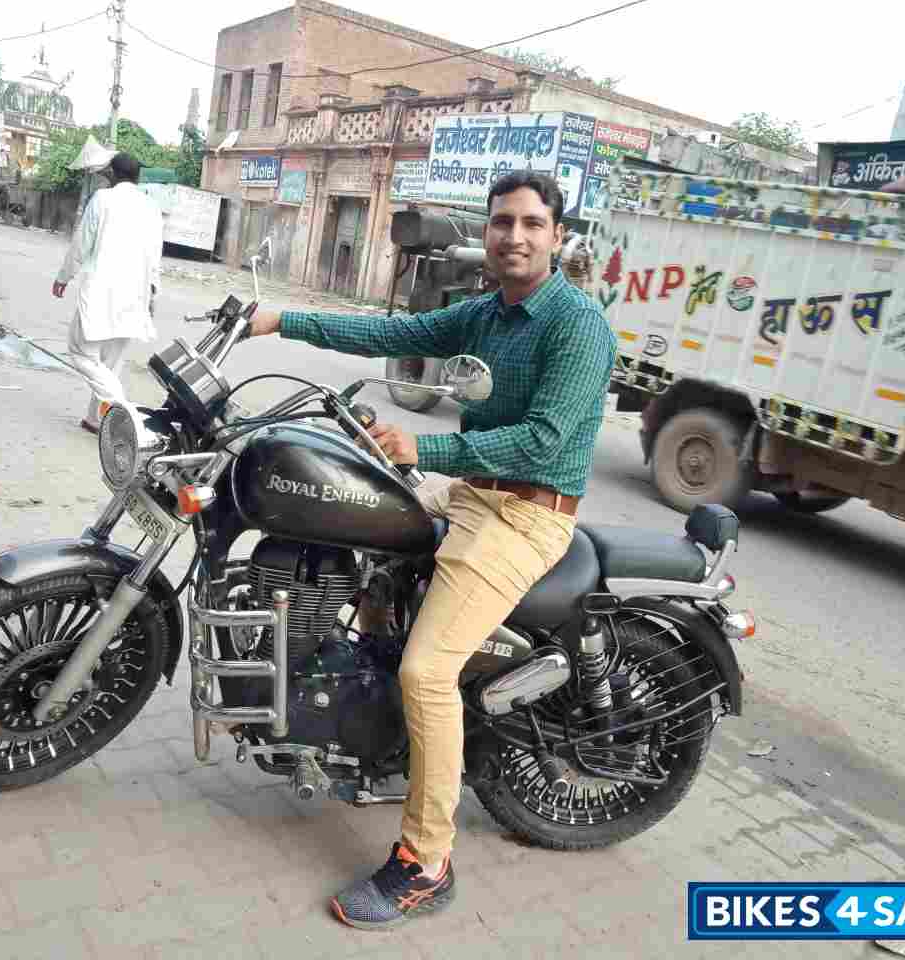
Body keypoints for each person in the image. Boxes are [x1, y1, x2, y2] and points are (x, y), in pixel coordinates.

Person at [246, 171, 618, 930]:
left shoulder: (577, 325)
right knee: (349, 524)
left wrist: (430, 444)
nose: (513, 236)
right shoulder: (486, 312)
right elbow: (389, 335)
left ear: (556, 235)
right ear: (485, 231)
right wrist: (279, 318)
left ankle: (427, 862)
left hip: (527, 514)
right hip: (473, 493)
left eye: (530, 223)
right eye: (501, 222)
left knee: (427, 670)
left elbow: (544, 439)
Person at [52, 151, 163, 433]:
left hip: (102, 292)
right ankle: (95, 419)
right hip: (135, 296)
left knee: (80, 351)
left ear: (112, 174)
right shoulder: (151, 206)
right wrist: (152, 294)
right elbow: (155, 256)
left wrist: (64, 276)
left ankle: (124, 411)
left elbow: (82, 243)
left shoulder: (102, 200)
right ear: (138, 176)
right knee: (109, 363)